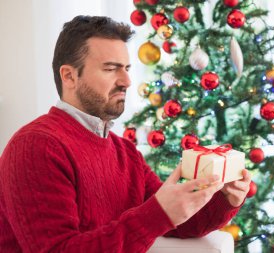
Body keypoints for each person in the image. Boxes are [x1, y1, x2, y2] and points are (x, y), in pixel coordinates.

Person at [0, 15, 251, 253]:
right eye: (111, 69)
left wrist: (226, 199)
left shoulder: (124, 152)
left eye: (127, 68)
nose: (127, 80)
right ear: (69, 76)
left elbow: (180, 223)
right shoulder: (37, 146)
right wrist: (159, 213)